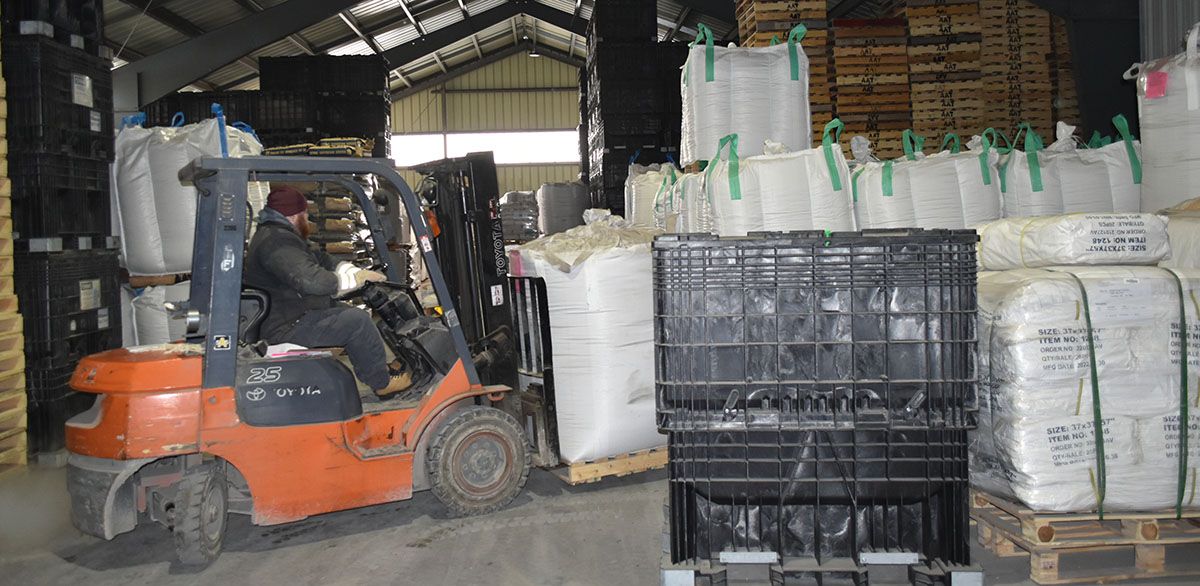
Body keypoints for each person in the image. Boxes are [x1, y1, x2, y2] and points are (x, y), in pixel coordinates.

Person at [244, 185, 411, 397]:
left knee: (341, 309)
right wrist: (352, 281)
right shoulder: (277, 242)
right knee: (357, 321)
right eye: (305, 215)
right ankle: (381, 383)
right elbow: (311, 281)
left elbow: (320, 258)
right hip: (283, 327)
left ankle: (380, 367)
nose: (308, 220)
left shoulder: (280, 234)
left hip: (289, 313)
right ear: (294, 216)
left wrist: (353, 271)